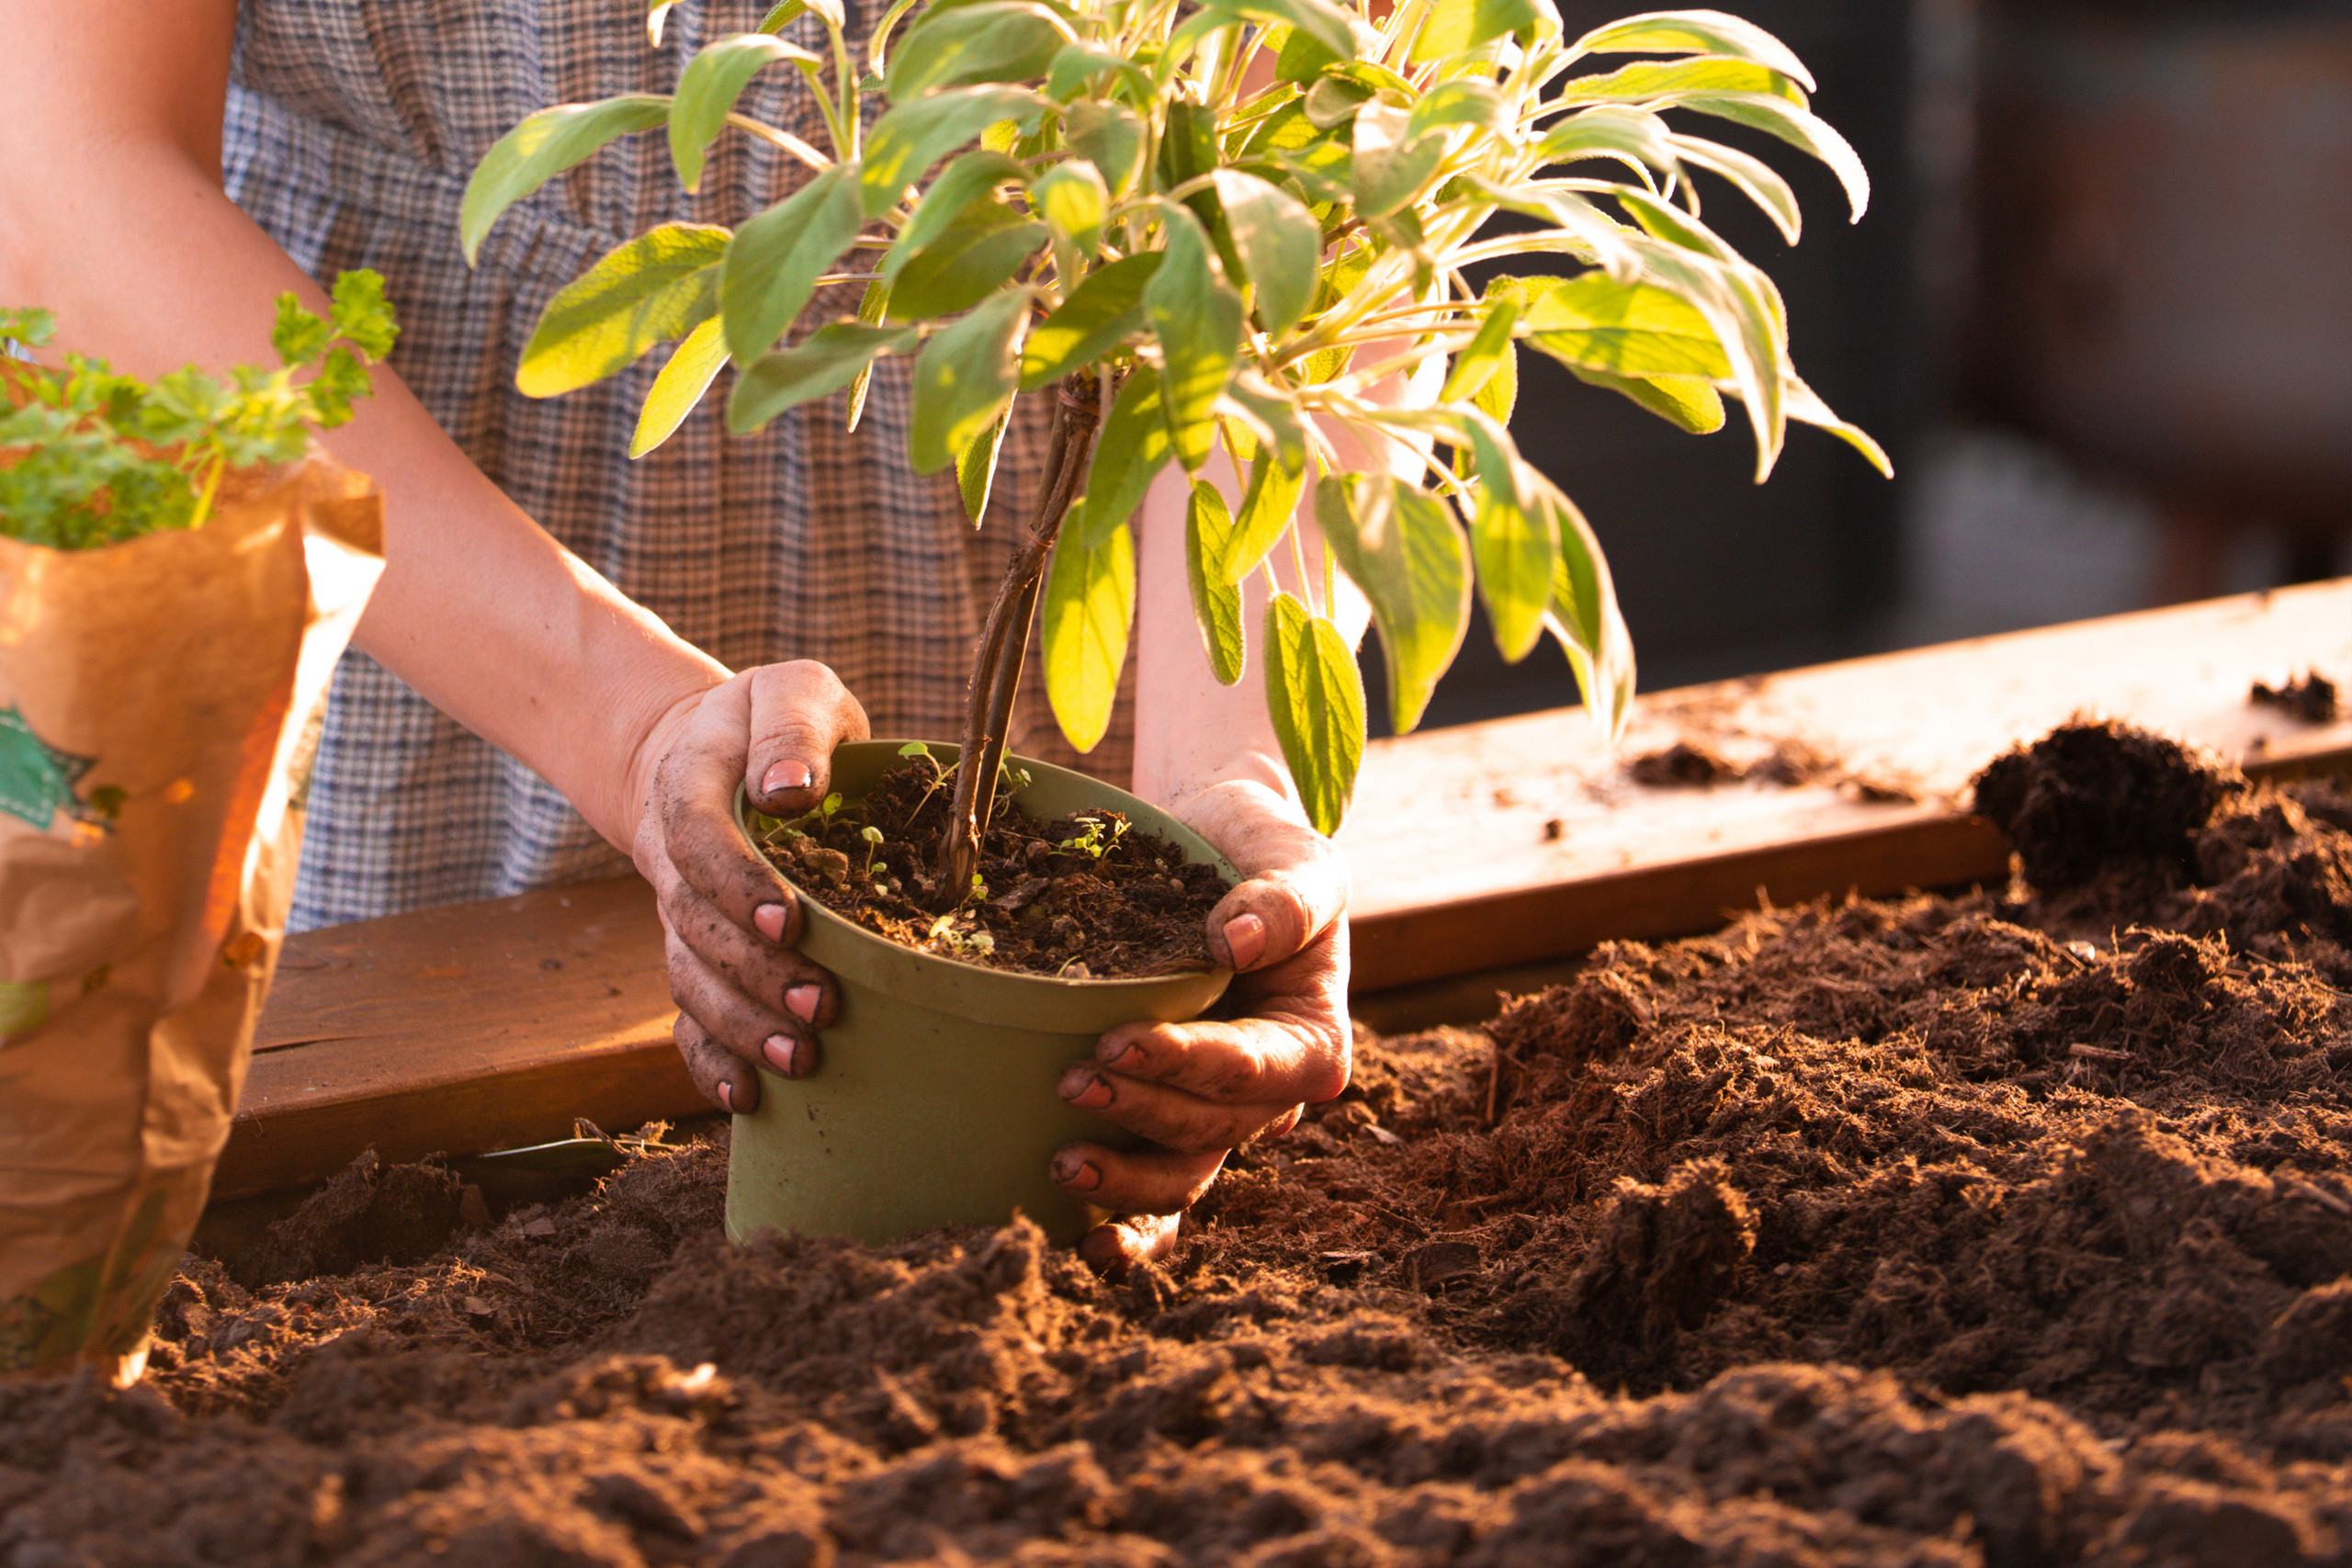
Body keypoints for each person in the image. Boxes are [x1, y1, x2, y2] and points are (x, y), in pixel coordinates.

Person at [0, 0, 1355, 1269]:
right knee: (350, 1233)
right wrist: (632, 720)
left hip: (1023, 494)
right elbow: (68, 171)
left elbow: (1283, 202)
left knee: (974, 1276)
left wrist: (1226, 762)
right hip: (363, 537)